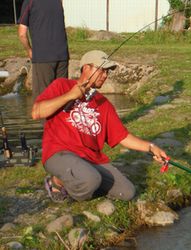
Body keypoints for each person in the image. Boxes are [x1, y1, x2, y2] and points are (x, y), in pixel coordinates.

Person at [32, 50, 168, 202]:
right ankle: (57, 182)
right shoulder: (62, 85)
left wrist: (151, 147)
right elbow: (36, 112)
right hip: (59, 153)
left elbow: (122, 136)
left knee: (127, 192)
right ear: (86, 68)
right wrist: (70, 95)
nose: (105, 75)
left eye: (107, 71)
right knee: (91, 180)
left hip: (91, 159)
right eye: (102, 70)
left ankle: (83, 181)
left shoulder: (104, 104)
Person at [18, 0, 69, 101]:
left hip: (43, 57)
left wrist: (29, 50)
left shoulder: (30, 1)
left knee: (42, 101)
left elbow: (22, 34)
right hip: (63, 55)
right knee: (62, 98)